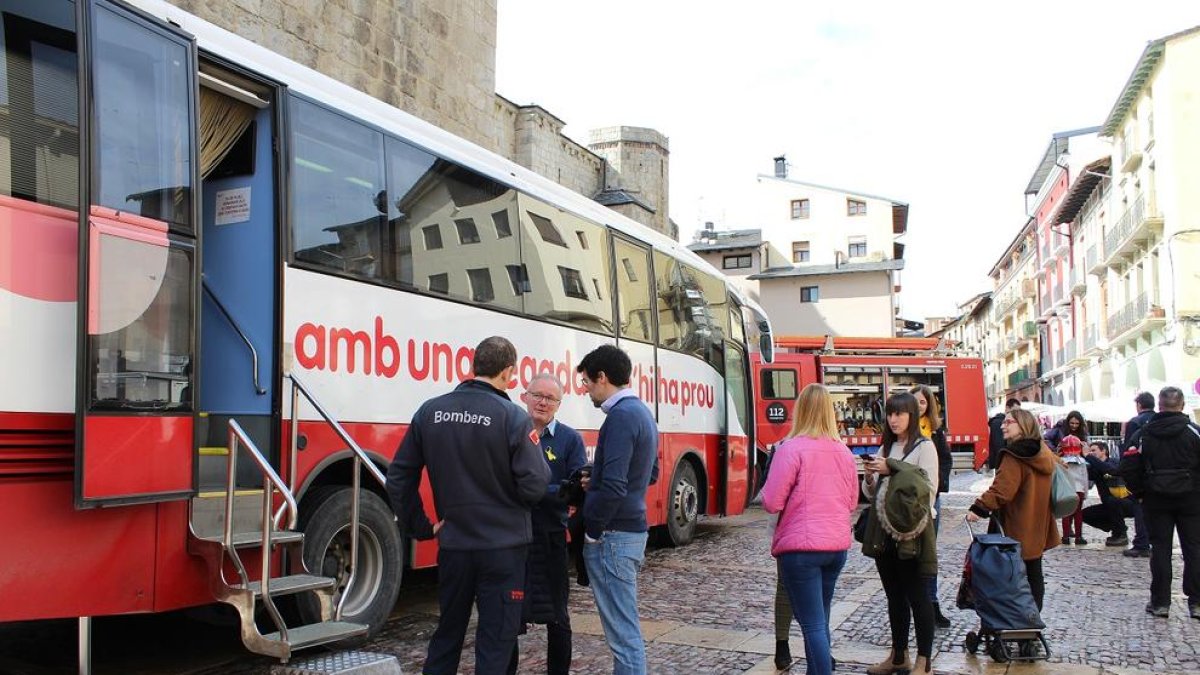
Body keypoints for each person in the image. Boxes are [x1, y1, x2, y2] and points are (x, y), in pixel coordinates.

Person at [387, 336, 551, 675]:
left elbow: (399, 476)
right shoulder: (512, 416)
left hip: (455, 545)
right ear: (508, 372)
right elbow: (536, 484)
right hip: (503, 548)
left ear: (473, 365)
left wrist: (421, 526)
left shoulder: (430, 410)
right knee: (495, 641)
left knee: (448, 634)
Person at [761, 384, 858, 675]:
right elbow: (852, 501)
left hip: (800, 548)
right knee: (820, 620)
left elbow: (771, 501)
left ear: (800, 410)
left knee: (812, 624)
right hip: (835, 546)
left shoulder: (791, 449)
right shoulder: (843, 452)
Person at [576, 344, 659, 674]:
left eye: (586, 383)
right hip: (631, 530)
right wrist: (594, 478)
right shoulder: (642, 414)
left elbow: (613, 486)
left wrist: (592, 530)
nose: (586, 391)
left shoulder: (620, 417)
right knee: (626, 631)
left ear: (602, 377)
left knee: (623, 638)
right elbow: (649, 472)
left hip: (613, 535)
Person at [508, 374, 587, 675]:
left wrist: (536, 490)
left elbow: (578, 488)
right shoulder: (511, 433)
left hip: (551, 536)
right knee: (509, 617)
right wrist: (553, 489)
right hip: (513, 538)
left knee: (558, 616)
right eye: (537, 395)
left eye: (550, 398)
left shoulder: (569, 439)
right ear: (524, 396)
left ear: (559, 404)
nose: (542, 402)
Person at [861, 392, 938, 675]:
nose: (894, 420)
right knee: (894, 596)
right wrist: (870, 477)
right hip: (885, 531)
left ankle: (924, 662)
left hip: (913, 533)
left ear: (912, 416)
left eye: (900, 414)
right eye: (890, 414)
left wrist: (892, 468)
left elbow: (927, 489)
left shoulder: (924, 446)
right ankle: (898, 657)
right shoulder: (887, 447)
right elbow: (874, 493)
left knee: (918, 595)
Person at [967, 408, 1061, 612]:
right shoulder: (1043, 451)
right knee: (1034, 573)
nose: (1002, 425)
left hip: (1016, 525)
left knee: (1008, 578)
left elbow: (1002, 490)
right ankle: (1032, 621)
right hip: (1038, 524)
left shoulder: (1015, 455)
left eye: (1009, 422)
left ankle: (1013, 622)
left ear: (1023, 425)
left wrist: (979, 508)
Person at [1118, 386, 1200, 619]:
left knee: (1161, 550)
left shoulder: (1144, 434)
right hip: (1191, 499)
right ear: (1182, 406)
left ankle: (1161, 602)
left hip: (1155, 499)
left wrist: (1141, 492)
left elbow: (1128, 466)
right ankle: (1196, 603)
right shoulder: (1194, 432)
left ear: (1160, 406)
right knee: (1194, 549)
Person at [911, 384, 952, 629]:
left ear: (929, 406)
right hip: (908, 500)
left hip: (931, 498)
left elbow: (945, 460)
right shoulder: (903, 429)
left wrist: (938, 486)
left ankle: (931, 602)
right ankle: (912, 603)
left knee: (929, 552)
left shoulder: (935, 432)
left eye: (923, 402)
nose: (918, 406)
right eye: (914, 401)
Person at [1081, 441, 1149, 555]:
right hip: (1110, 505)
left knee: (1112, 501)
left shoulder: (1114, 462)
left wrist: (1088, 456)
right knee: (1085, 514)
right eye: (1090, 451)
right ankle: (1116, 527)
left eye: (1094, 450)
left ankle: (1120, 533)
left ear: (1104, 451)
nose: (1091, 453)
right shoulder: (1094, 467)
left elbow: (1109, 470)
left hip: (1128, 503)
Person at [1057, 435, 1090, 545]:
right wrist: (1085, 492)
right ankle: (1078, 536)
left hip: (1065, 490)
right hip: (1079, 490)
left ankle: (1065, 536)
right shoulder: (1082, 462)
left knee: (1066, 514)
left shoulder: (1060, 461)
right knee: (1078, 513)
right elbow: (1084, 478)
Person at [987, 399, 1021, 472]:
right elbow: (999, 446)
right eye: (1014, 410)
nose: (1017, 413)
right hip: (1002, 462)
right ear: (1007, 408)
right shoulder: (998, 422)